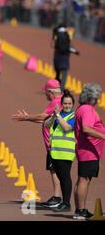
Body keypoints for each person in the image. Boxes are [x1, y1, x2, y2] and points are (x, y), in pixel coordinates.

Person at [11, 79, 63, 209]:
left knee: (55, 170)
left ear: (50, 92)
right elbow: (46, 120)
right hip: (56, 143)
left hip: (54, 143)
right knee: (54, 170)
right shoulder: (60, 101)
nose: (45, 94)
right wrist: (28, 119)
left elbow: (42, 116)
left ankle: (58, 198)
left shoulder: (55, 102)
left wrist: (27, 118)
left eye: (46, 91)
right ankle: (57, 196)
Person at [73, 83, 105, 220]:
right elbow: (86, 128)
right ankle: (80, 211)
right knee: (83, 180)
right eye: (97, 97)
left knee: (82, 180)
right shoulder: (87, 110)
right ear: (92, 97)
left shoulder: (82, 108)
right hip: (88, 151)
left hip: (87, 150)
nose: (98, 100)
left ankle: (80, 210)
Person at [43, 89, 76, 212]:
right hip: (55, 152)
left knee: (65, 177)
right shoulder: (58, 114)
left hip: (66, 152)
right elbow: (46, 125)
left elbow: (67, 128)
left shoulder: (73, 116)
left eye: (69, 104)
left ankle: (66, 203)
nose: (67, 106)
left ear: (73, 105)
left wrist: (57, 116)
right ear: (61, 104)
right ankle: (63, 202)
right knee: (61, 177)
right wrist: (54, 115)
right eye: (65, 104)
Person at [51, 26, 71, 91]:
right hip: (65, 57)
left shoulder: (56, 35)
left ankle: (56, 87)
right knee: (64, 74)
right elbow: (70, 46)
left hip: (57, 56)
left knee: (57, 73)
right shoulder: (67, 35)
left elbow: (52, 45)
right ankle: (62, 88)